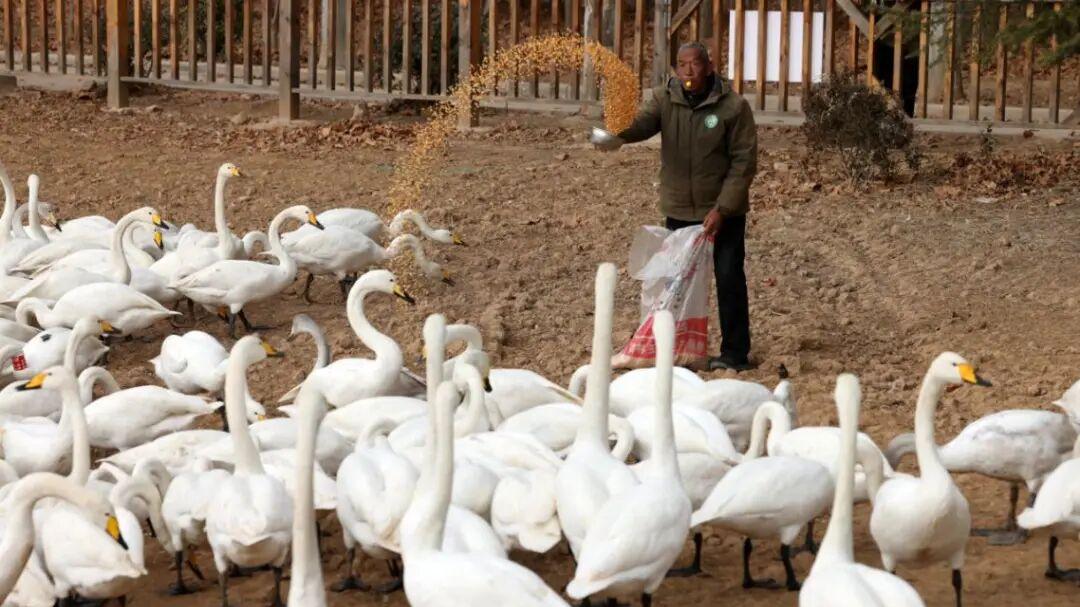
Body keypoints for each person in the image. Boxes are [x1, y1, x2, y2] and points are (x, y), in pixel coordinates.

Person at [592, 41, 758, 371]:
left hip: (722, 212)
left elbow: (744, 163)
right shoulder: (665, 99)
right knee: (676, 282)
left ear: (709, 67)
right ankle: (675, 346)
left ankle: (735, 354)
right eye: (681, 65)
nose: (688, 71)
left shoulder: (733, 107)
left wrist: (722, 209)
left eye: (694, 64)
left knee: (728, 278)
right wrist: (617, 133)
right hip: (680, 208)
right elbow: (642, 125)